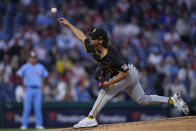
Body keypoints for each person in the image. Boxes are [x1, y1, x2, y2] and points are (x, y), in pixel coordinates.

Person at [58, 18, 189, 128]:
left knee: (106, 91)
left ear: (100, 40)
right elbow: (81, 36)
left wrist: (109, 82)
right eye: (91, 37)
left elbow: (125, 74)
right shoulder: (92, 46)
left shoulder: (113, 55)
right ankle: (173, 100)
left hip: (128, 73)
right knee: (142, 99)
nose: (90, 39)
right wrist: (69, 24)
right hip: (124, 73)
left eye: (93, 38)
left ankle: (91, 117)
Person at [17, 51, 48, 130]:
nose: (33, 59)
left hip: (38, 89)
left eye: (34, 57)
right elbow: (18, 76)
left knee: (37, 108)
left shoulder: (40, 66)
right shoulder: (25, 66)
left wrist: (44, 85)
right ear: (29, 58)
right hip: (28, 89)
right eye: (32, 58)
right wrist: (22, 85)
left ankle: (39, 124)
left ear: (36, 58)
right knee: (26, 108)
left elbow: (46, 76)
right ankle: (24, 124)